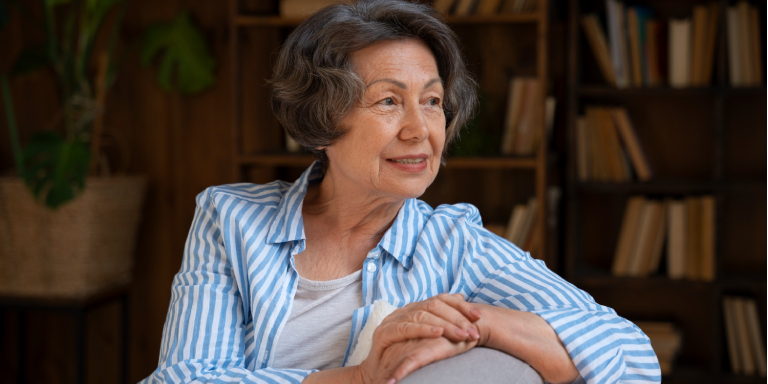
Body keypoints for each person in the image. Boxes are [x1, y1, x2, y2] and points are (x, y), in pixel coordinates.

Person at [141, 1, 660, 383]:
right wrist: (360, 378)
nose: (420, 130)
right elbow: (183, 378)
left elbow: (631, 353)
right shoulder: (230, 218)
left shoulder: (454, 241)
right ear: (322, 117)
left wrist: (481, 325)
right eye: (388, 102)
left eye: (432, 102)